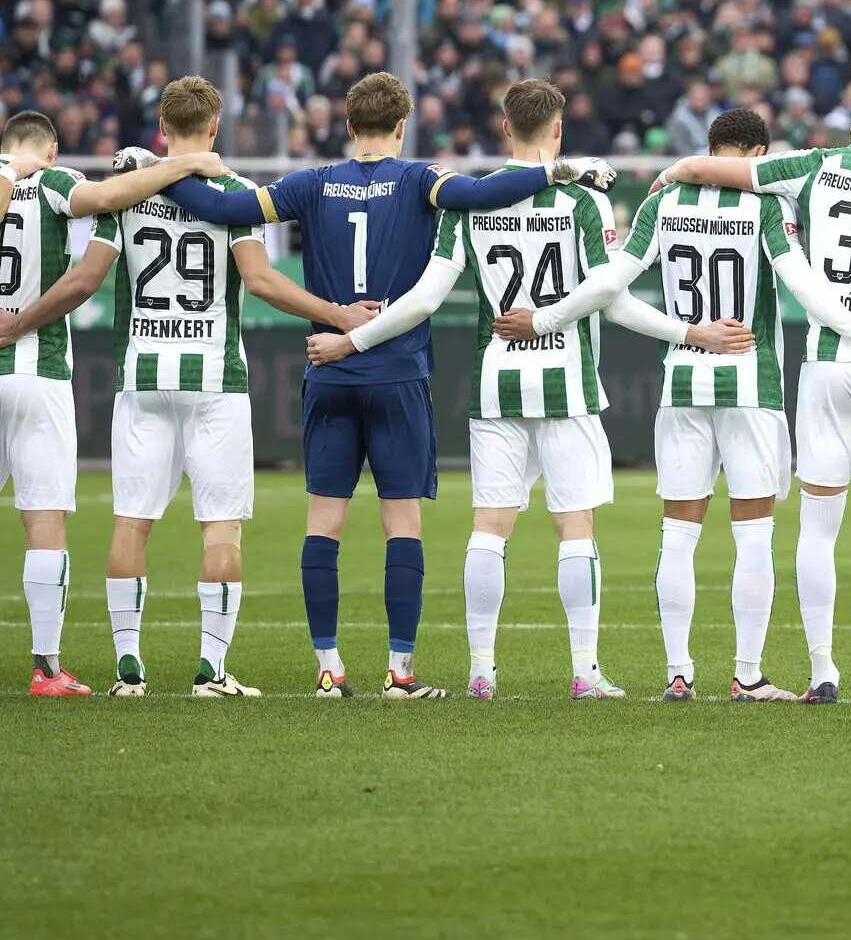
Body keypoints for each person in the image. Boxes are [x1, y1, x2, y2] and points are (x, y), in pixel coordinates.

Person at [161, 71, 615, 698]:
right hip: (398, 371)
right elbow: (486, 196)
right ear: (402, 126)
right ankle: (400, 671)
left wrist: (163, 169)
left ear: (349, 127)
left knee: (323, 523)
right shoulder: (424, 182)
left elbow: (223, 207)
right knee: (402, 525)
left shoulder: (309, 184)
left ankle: (328, 663)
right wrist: (557, 172)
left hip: (331, 365)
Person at [307, 79, 705, 700]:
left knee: (490, 527)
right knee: (575, 528)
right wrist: (688, 332)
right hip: (566, 385)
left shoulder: (470, 203)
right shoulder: (583, 202)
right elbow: (611, 298)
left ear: (503, 128)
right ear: (558, 131)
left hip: (496, 384)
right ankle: (584, 670)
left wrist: (348, 339)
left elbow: (423, 300)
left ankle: (481, 670)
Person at [495, 106, 851, 701]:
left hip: (682, 384)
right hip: (752, 386)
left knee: (679, 533)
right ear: (759, 157)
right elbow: (802, 286)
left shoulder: (662, 202)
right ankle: (747, 674)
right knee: (753, 535)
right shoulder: (769, 206)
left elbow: (612, 289)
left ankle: (678, 672)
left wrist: (546, 317)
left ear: (712, 146)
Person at [6, 79, 381, 697]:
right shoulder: (234, 195)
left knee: (131, 521)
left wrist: (21, 320)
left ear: (162, 129)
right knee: (221, 526)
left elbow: (86, 280)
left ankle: (129, 667)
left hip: (141, 376)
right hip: (216, 380)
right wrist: (339, 314)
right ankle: (212, 669)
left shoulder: (128, 195)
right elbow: (260, 283)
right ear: (214, 130)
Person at [658, 95, 851, 705]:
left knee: (818, 529)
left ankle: (823, 671)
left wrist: (674, 173)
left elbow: (710, 170)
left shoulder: (815, 165)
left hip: (826, 363)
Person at [0, 111, 235, 697]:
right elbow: (104, 199)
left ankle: (112, 662)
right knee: (45, 522)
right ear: (51, 150)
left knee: (129, 518)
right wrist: (181, 165)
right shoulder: (52, 183)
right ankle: (47, 669)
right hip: (39, 369)